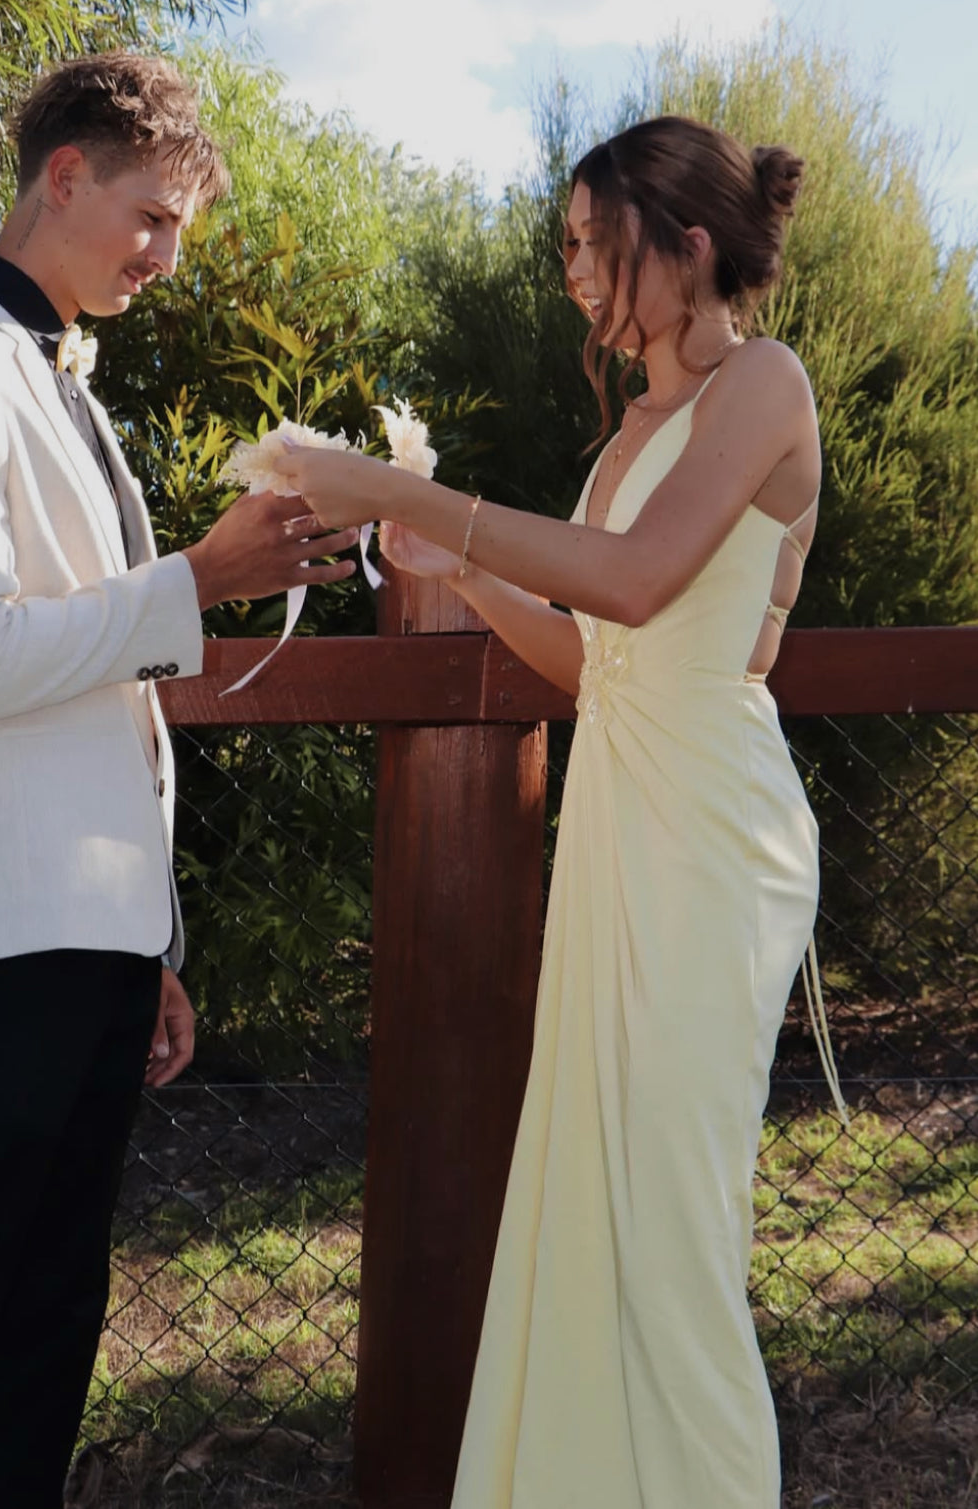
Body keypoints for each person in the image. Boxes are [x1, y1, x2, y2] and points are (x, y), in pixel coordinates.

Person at [0, 51, 357, 1509]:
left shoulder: (69, 391)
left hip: (87, 946)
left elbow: (102, 700)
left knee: (45, 1347)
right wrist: (196, 575)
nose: (164, 257)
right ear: (65, 176)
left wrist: (151, 944)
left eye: (180, 233)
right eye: (152, 218)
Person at [274, 115, 825, 1508]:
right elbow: (594, 661)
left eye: (598, 242)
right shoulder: (624, 433)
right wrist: (449, 570)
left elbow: (637, 582)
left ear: (687, 245)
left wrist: (412, 492)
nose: (574, 271)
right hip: (621, 823)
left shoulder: (762, 384)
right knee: (592, 1218)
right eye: (566, 244)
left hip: (710, 837)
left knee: (672, 1233)